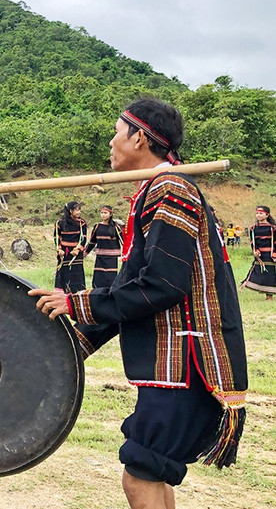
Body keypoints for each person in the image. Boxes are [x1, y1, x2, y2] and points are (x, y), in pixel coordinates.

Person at [31, 99, 247, 509]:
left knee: (141, 476)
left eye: (117, 132)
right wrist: (70, 339)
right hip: (175, 366)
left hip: (187, 361)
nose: (111, 141)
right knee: (152, 471)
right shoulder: (156, 192)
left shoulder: (170, 190)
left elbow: (162, 285)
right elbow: (133, 288)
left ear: (140, 138)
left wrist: (76, 303)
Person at [84, 205, 123, 289]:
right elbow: (92, 242)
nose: (103, 215)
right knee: (98, 279)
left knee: (110, 279)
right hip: (100, 257)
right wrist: (85, 252)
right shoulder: (97, 226)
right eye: (101, 213)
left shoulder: (116, 227)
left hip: (112, 258)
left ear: (110, 214)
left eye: (105, 213)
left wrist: (129, 253)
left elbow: (123, 241)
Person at [241, 206, 276, 300]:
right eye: (257, 213)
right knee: (259, 271)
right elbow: (252, 242)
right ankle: (246, 285)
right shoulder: (253, 228)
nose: (258, 215)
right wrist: (255, 250)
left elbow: (275, 242)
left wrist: (274, 253)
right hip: (260, 255)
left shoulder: (272, 229)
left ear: (267, 215)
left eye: (261, 213)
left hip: (270, 255)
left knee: (270, 273)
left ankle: (269, 296)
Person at [54, 201, 88, 293]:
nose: (79, 212)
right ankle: (63, 295)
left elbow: (83, 238)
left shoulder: (82, 223)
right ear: (70, 211)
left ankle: (77, 294)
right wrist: (59, 249)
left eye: (80, 210)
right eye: (77, 210)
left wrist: (78, 249)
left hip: (76, 253)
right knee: (64, 273)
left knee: (77, 274)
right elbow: (57, 237)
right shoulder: (60, 223)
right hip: (64, 253)